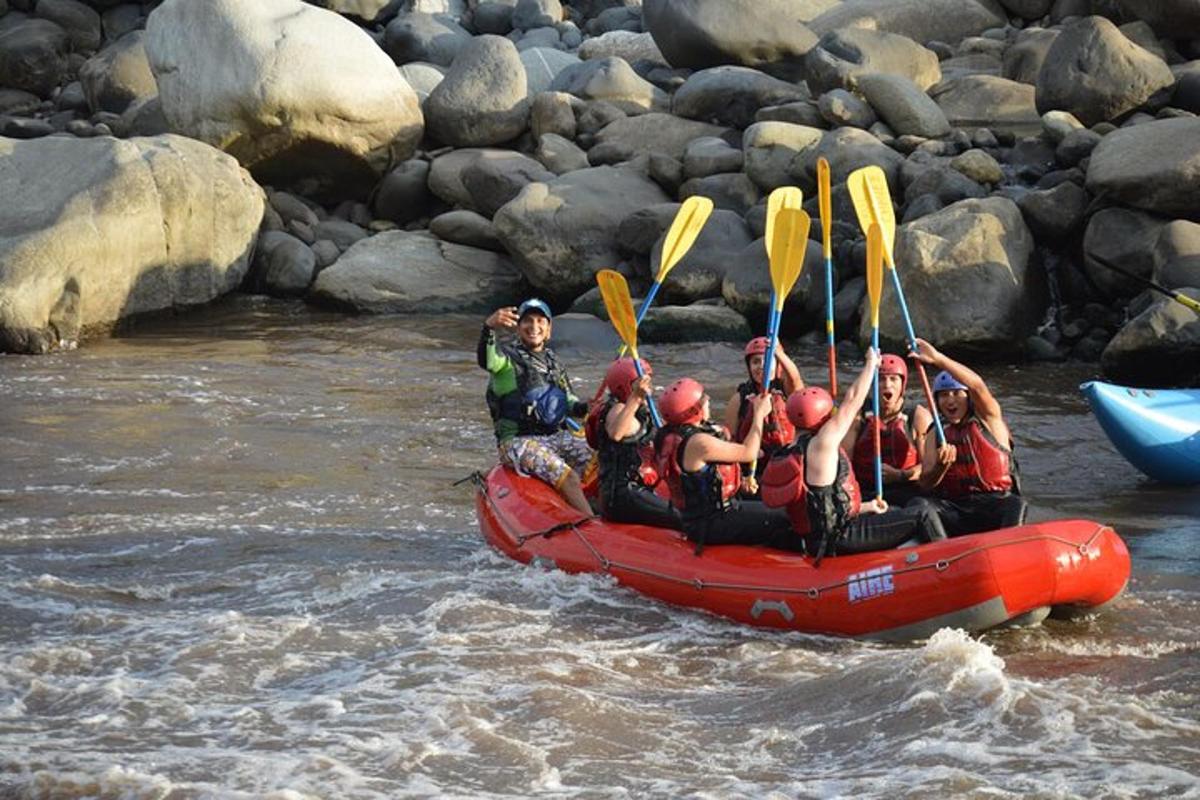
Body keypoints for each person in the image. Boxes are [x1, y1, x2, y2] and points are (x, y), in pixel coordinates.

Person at [761, 350, 946, 564]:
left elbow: (826, 502)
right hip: (841, 535)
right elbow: (852, 399)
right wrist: (870, 365)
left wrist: (867, 507)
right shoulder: (824, 443)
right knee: (922, 513)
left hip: (819, 535)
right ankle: (947, 568)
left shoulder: (794, 447)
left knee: (895, 510)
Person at [478, 299, 594, 515]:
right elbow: (487, 360)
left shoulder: (553, 362)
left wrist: (587, 407)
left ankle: (601, 507)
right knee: (568, 477)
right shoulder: (505, 360)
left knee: (600, 459)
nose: (534, 326)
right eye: (528, 321)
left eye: (541, 321)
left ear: (549, 329)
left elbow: (568, 403)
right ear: (518, 327)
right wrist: (489, 327)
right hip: (517, 442)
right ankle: (592, 523)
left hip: (553, 438)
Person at [655, 377, 797, 552]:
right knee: (787, 517)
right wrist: (759, 414)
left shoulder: (672, 434)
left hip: (707, 514)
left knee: (776, 505)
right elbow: (749, 452)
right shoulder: (698, 443)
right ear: (694, 410)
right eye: (704, 400)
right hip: (712, 522)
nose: (708, 401)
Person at [909, 338, 1027, 536]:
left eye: (957, 393)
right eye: (944, 395)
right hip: (956, 509)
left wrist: (937, 358)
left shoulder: (989, 418)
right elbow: (926, 483)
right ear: (937, 401)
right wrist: (940, 467)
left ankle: (1008, 549)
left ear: (968, 398)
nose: (950, 400)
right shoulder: (935, 433)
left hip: (995, 504)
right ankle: (942, 555)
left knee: (1016, 504)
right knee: (921, 505)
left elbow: (977, 385)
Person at [584, 357, 682, 529]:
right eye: (640, 383)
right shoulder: (618, 409)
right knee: (682, 518)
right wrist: (635, 398)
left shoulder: (641, 409)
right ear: (626, 386)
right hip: (624, 495)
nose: (648, 388)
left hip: (640, 488)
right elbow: (616, 433)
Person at [840, 353, 931, 507]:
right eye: (881, 379)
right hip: (866, 491)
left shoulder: (918, 415)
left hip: (905, 489)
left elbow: (929, 468)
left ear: (903, 385)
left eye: (893, 379)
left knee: (923, 506)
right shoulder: (858, 415)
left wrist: (900, 476)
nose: (887, 385)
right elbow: (844, 463)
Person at [721, 336, 804, 493]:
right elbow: (730, 441)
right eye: (755, 362)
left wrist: (779, 353)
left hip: (785, 459)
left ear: (777, 365)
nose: (761, 366)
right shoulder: (740, 398)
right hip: (755, 465)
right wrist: (741, 476)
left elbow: (795, 379)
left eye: (767, 361)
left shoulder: (786, 390)